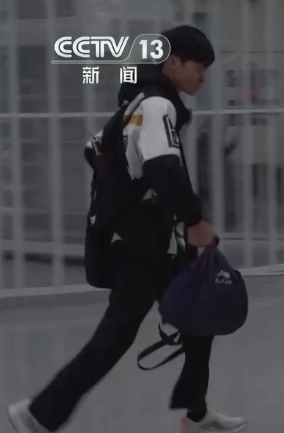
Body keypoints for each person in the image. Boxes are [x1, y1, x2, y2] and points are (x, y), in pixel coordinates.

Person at [7, 25, 247, 433]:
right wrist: (194, 221)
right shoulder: (157, 105)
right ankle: (37, 415)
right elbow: (163, 166)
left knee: (197, 319)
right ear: (173, 63)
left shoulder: (138, 101)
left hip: (145, 240)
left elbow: (96, 149)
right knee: (115, 337)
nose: (203, 78)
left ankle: (195, 413)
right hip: (141, 247)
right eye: (199, 68)